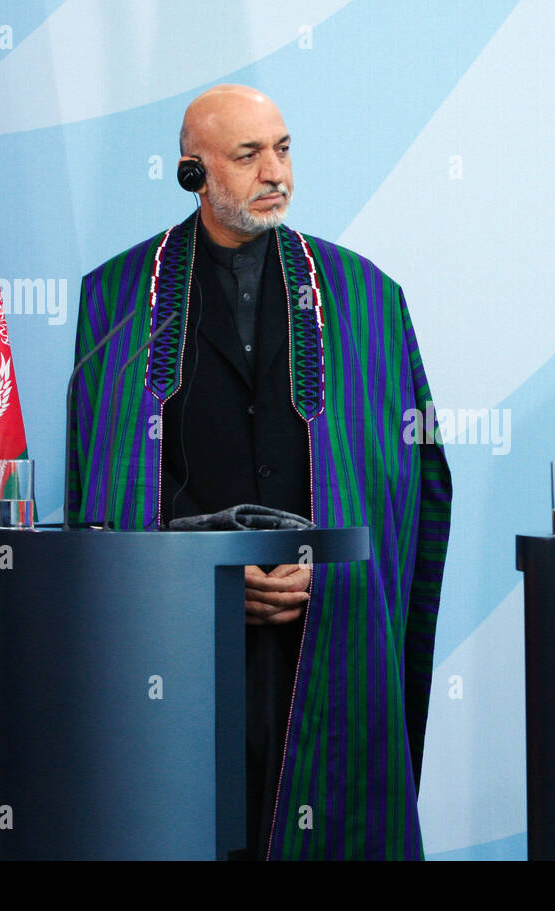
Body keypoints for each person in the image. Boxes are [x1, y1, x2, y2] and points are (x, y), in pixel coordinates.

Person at [66, 85, 452, 860]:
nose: (275, 171)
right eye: (248, 155)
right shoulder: (116, 297)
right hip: (178, 636)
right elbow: (100, 482)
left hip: (326, 624)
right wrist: (201, 573)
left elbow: (418, 478)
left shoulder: (367, 297)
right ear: (192, 174)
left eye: (282, 148)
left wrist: (337, 571)